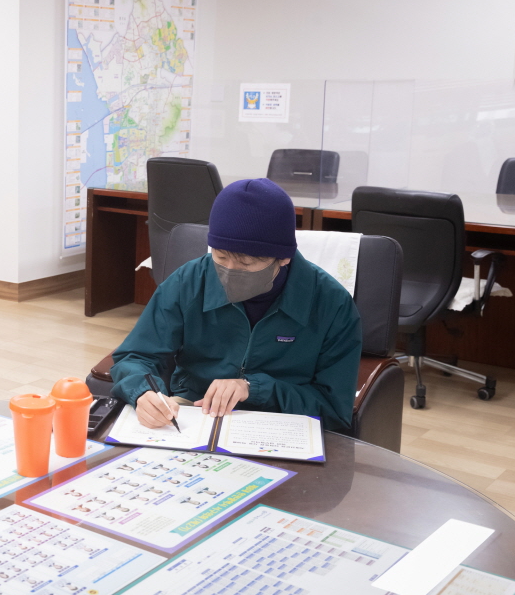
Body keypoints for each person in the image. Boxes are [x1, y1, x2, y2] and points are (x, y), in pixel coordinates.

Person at [110, 178, 362, 431]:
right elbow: (136, 355)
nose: (229, 272)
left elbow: (334, 410)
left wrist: (256, 389)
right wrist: (143, 392)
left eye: (246, 263)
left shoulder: (332, 304)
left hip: (283, 425)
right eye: (221, 256)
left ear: (284, 257)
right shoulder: (188, 282)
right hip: (194, 414)